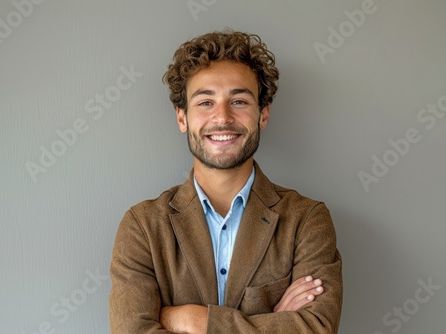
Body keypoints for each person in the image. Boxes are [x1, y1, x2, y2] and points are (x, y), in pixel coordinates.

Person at [109, 30, 343, 333]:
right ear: (182, 118)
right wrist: (272, 321)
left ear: (263, 114)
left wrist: (191, 319)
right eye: (205, 102)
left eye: (239, 101)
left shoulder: (306, 220)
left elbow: (317, 329)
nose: (222, 117)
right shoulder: (142, 226)